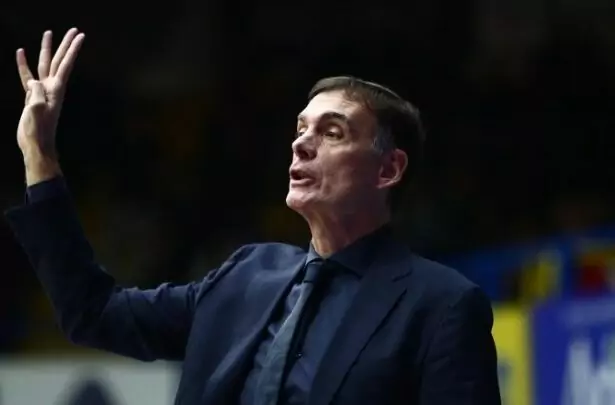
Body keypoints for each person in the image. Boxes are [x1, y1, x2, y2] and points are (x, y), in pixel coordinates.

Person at [4, 28, 501, 405]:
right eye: (301, 128)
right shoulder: (245, 275)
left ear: (388, 169)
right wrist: (39, 155)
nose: (301, 143)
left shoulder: (441, 305)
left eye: (331, 132)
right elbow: (93, 312)